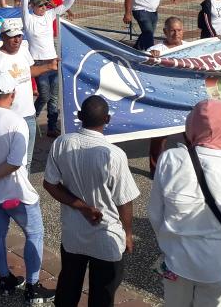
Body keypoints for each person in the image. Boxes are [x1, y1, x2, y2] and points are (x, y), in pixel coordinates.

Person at [150, 99, 221, 307]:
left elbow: (155, 214)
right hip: (217, 265)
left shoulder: (170, 159)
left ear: (190, 125)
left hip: (177, 260)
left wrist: (169, 243)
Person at [0, 73, 55, 303]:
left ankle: (5, 279)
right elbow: (15, 162)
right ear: (13, 95)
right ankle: (33, 287)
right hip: (17, 193)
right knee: (34, 234)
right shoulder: (17, 122)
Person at [43, 95, 139, 307]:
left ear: (79, 117)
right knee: (103, 295)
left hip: (73, 236)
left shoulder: (61, 143)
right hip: (107, 238)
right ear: (107, 119)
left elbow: (50, 184)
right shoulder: (115, 155)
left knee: (68, 287)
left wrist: (83, 207)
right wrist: (128, 234)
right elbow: (124, 201)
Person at [0, 25, 58, 165]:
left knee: (26, 161)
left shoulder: (23, 51)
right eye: (12, 36)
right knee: (7, 161)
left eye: (19, 36)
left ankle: (23, 187)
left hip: (28, 117)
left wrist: (49, 66)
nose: (17, 40)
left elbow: (28, 71)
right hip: (6, 119)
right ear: (3, 37)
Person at [22, 0, 79, 138]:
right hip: (39, 63)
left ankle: (52, 126)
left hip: (53, 60)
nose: (43, 8)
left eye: (44, 5)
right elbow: (23, 7)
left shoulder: (49, 14)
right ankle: (30, 120)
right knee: (44, 95)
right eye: (40, 6)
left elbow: (64, 6)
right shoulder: (28, 19)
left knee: (54, 97)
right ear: (32, 6)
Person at [146, 16, 187, 176]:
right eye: (172, 30)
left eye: (179, 30)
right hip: (164, 99)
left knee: (191, 134)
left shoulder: (192, 47)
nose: (176, 34)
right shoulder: (156, 50)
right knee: (159, 136)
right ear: (165, 32)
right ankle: (155, 170)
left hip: (185, 99)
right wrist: (150, 58)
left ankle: (196, 164)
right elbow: (141, 66)